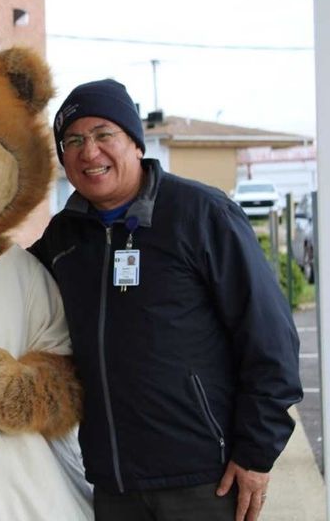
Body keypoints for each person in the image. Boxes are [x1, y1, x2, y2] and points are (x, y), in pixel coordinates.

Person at [30, 79, 302, 521]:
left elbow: (270, 340)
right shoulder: (64, 236)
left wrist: (256, 453)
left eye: (103, 135)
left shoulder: (200, 215)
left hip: (203, 480)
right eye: (73, 141)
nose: (89, 152)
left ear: (135, 142)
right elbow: (12, 289)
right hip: (113, 482)